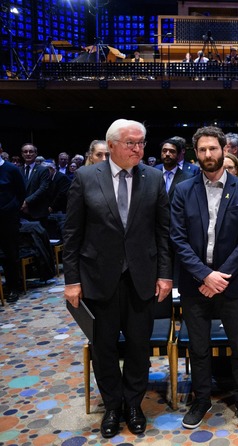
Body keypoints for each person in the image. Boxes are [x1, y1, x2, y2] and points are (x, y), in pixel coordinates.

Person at [63, 119, 173, 438]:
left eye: (141, 143)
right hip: (98, 279)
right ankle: (112, 405)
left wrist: (165, 275)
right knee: (104, 347)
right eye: (131, 143)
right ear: (111, 146)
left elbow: (162, 232)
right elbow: (72, 234)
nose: (138, 148)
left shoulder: (152, 178)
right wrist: (72, 280)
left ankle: (133, 403)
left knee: (139, 346)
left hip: (142, 278)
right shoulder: (85, 178)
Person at [170, 125, 238, 430]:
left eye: (213, 148)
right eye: (202, 149)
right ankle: (201, 399)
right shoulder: (183, 190)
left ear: (225, 150)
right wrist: (205, 276)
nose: (208, 154)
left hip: (231, 283)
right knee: (198, 346)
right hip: (196, 284)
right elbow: (177, 239)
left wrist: (221, 277)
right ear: (196, 154)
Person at [0, 143, 26, 303]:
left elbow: (21, 192)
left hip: (8, 219)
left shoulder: (11, 169)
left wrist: (12, 209)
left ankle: (13, 287)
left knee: (11, 254)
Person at [20, 143, 51, 222]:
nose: (28, 154)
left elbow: (43, 189)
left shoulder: (43, 170)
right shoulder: (17, 170)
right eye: (25, 152)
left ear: (36, 154)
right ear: (22, 154)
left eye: (31, 151)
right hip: (20, 211)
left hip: (38, 212)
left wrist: (26, 202)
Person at [159, 137, 194, 203]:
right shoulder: (153, 173)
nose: (167, 154)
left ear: (178, 155)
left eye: (172, 151)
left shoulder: (188, 178)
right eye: (164, 151)